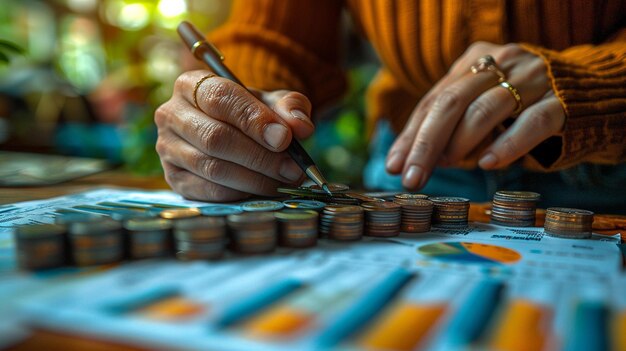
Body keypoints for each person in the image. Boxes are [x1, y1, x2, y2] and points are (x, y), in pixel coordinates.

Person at [155, 1, 626, 213]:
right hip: (412, 173)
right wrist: (245, 101)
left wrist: (601, 84)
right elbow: (276, 33)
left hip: (612, 173)